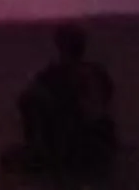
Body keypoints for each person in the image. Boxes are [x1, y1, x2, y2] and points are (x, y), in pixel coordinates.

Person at [13, 23, 117, 179]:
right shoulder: (98, 71)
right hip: (101, 141)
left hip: (72, 144)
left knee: (29, 101)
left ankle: (40, 152)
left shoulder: (54, 74)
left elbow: (27, 101)